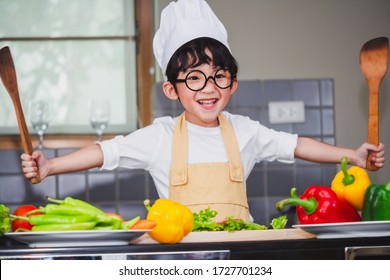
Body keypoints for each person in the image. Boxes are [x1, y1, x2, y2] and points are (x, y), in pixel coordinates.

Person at [21, 0, 385, 222]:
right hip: (176, 262)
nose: (208, 88)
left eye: (218, 76)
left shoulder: (245, 131)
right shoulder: (161, 136)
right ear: (172, 89)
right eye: (194, 78)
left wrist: (351, 155)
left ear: (233, 83)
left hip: (239, 260)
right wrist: (51, 166)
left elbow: (297, 146)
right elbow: (105, 153)